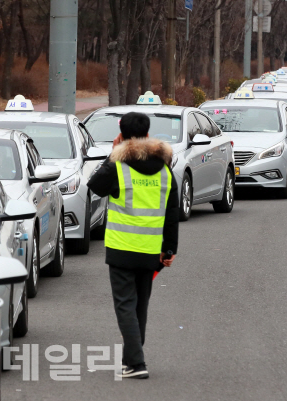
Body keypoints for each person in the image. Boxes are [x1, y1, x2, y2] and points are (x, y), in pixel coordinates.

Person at [87, 112, 179, 380]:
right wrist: (169, 250)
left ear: (122, 136)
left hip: (122, 248)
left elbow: (94, 185)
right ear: (148, 135)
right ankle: (132, 359)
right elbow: (172, 212)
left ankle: (137, 363)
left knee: (125, 305)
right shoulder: (164, 170)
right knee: (140, 306)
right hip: (151, 250)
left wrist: (114, 152)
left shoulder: (117, 166)